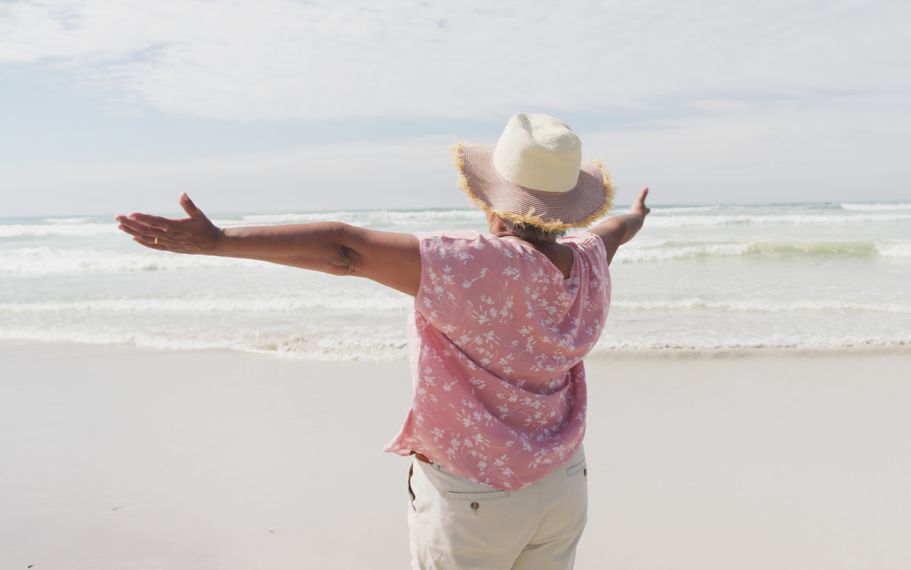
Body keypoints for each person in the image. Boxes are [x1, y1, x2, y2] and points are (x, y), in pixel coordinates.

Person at [115, 112, 650, 569]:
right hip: (562, 485)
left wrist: (217, 242)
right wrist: (635, 217)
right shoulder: (586, 260)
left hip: (475, 497)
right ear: (567, 208)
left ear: (494, 197)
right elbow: (614, 234)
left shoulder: (470, 263)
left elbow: (344, 249)